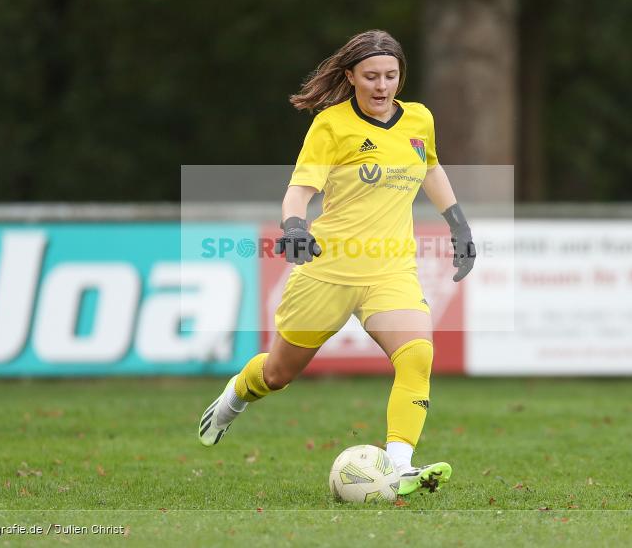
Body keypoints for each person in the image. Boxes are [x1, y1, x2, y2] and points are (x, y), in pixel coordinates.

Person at [198, 29, 475, 496]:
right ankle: (232, 400)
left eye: (391, 75)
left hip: (390, 269)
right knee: (276, 374)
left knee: (418, 355)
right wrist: (293, 226)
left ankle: (400, 465)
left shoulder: (419, 119)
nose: (382, 85)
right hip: (328, 270)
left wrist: (458, 224)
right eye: (371, 76)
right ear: (350, 76)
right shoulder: (331, 125)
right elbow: (301, 189)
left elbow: (430, 166)